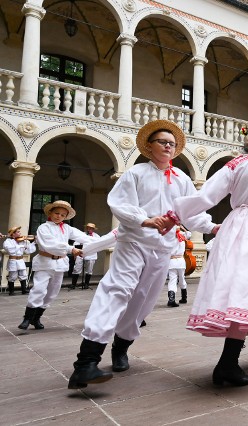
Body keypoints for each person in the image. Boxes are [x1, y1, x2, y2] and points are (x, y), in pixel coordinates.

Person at [68, 120, 216, 390]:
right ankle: (86, 361)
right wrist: (144, 220)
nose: (168, 146)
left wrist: (213, 227)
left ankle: (121, 346)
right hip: (133, 242)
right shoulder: (135, 173)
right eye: (162, 141)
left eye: (171, 143)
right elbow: (119, 203)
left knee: (143, 300)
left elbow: (192, 212)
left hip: (163, 249)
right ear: (149, 146)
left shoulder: (182, 179)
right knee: (118, 290)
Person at [171, 121, 248, 387]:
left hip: (246, 224)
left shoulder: (238, 163)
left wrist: (176, 213)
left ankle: (229, 362)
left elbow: (207, 196)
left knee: (242, 286)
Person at [18, 201, 89, 330]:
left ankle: (36, 317)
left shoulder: (67, 228)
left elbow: (83, 237)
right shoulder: (43, 228)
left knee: (52, 292)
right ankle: (27, 318)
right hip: (45, 263)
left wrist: (102, 242)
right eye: (57, 213)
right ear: (50, 213)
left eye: (62, 215)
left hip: (60, 264)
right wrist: (71, 248)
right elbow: (51, 244)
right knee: (39, 289)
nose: (59, 216)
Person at [3, 226, 36, 295]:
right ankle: (11, 291)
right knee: (12, 276)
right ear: (13, 234)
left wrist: (33, 243)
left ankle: (24, 290)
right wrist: (20, 246)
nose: (20, 233)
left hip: (20, 260)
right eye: (18, 232)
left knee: (23, 275)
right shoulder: (8, 241)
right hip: (13, 260)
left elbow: (28, 251)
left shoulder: (23, 241)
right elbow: (10, 250)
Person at [70, 223, 101, 290]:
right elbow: (76, 244)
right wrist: (77, 252)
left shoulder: (97, 236)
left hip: (91, 255)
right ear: (87, 228)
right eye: (88, 228)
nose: (90, 229)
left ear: (93, 229)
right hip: (80, 254)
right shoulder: (82, 235)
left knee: (89, 270)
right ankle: (73, 284)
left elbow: (99, 245)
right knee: (76, 268)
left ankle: (86, 284)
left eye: (91, 228)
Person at [167, 227, 191, 307]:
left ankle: (171, 299)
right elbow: (189, 234)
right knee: (182, 278)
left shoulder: (169, 236)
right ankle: (184, 298)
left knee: (172, 280)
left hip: (172, 261)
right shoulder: (183, 235)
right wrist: (183, 228)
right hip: (180, 261)